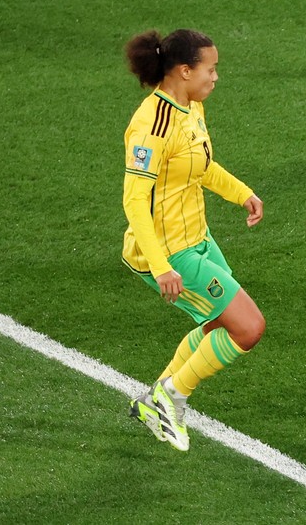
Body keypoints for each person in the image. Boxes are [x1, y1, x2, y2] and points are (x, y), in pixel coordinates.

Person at [122, 29, 265, 451]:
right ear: (184, 71)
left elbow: (201, 167)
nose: (216, 76)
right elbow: (134, 203)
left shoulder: (192, 107)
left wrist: (242, 193)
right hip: (169, 252)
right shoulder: (151, 126)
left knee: (220, 322)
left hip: (197, 238)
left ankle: (157, 398)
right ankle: (172, 396)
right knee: (248, 328)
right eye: (210, 68)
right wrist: (162, 265)